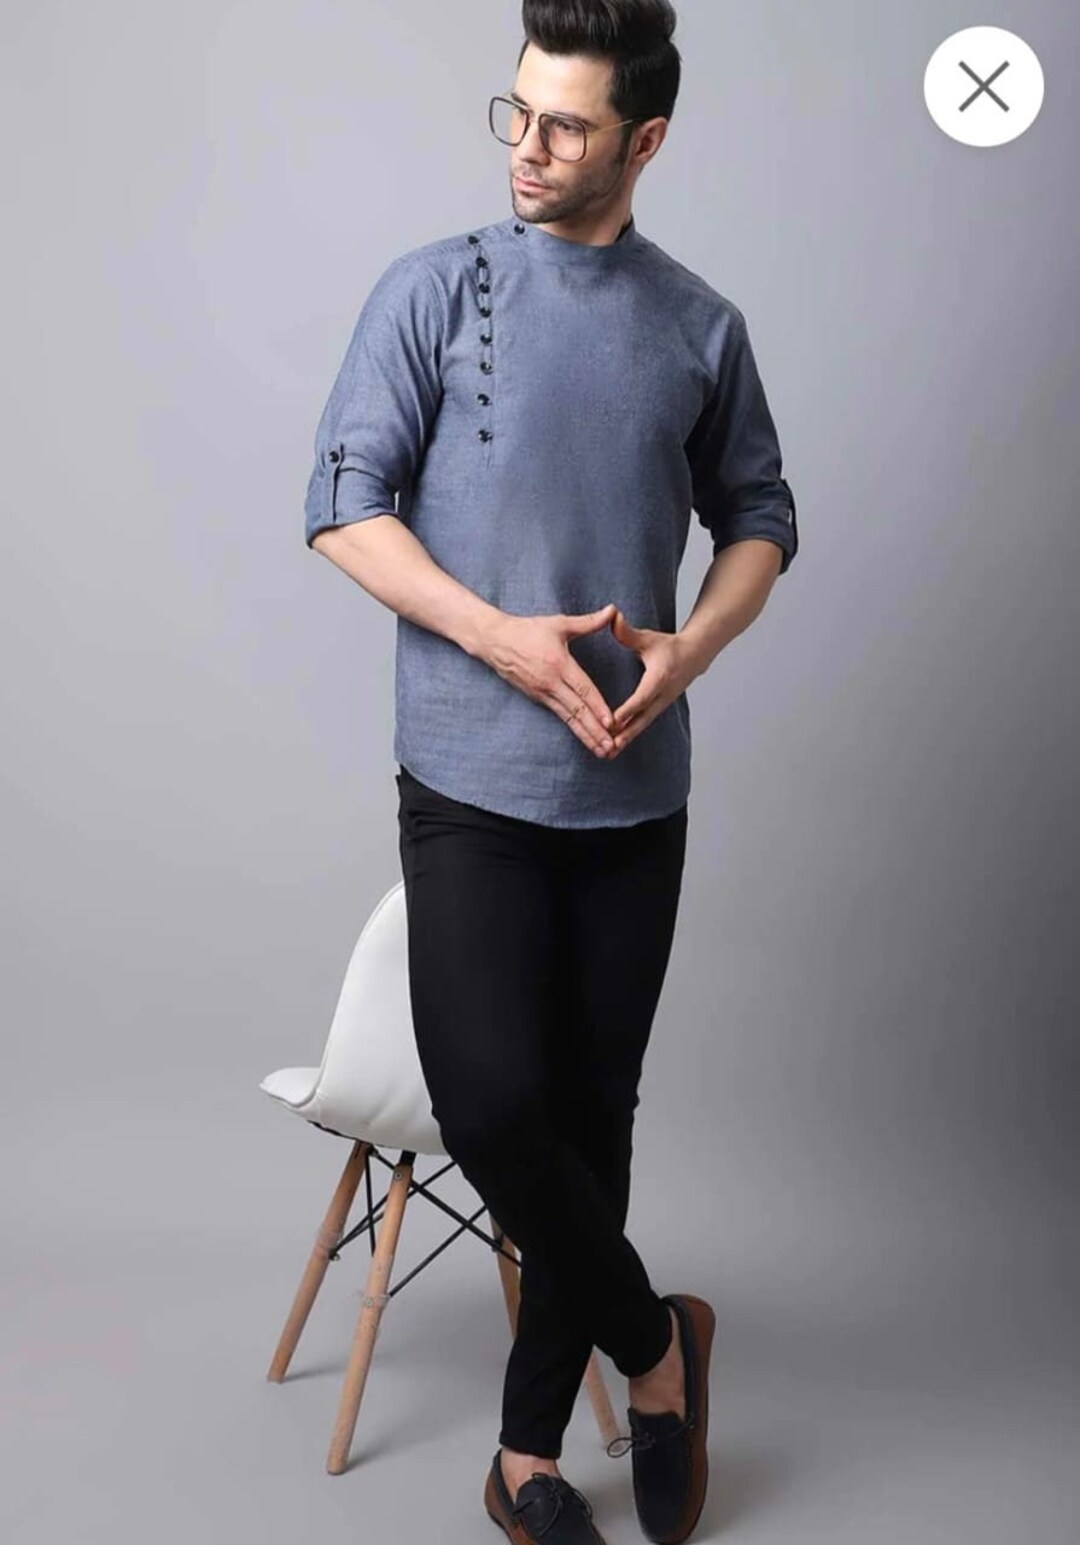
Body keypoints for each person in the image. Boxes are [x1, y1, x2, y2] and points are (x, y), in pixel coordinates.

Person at [303, 3, 798, 1539]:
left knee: (592, 1120)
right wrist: (499, 639)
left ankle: (525, 1458)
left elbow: (762, 517)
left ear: (646, 141)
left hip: (635, 798)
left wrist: (690, 648)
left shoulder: (701, 325)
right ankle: (659, 1349)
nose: (527, 146)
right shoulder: (431, 290)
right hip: (469, 785)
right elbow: (342, 505)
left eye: (566, 125)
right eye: (515, 112)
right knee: (496, 1104)